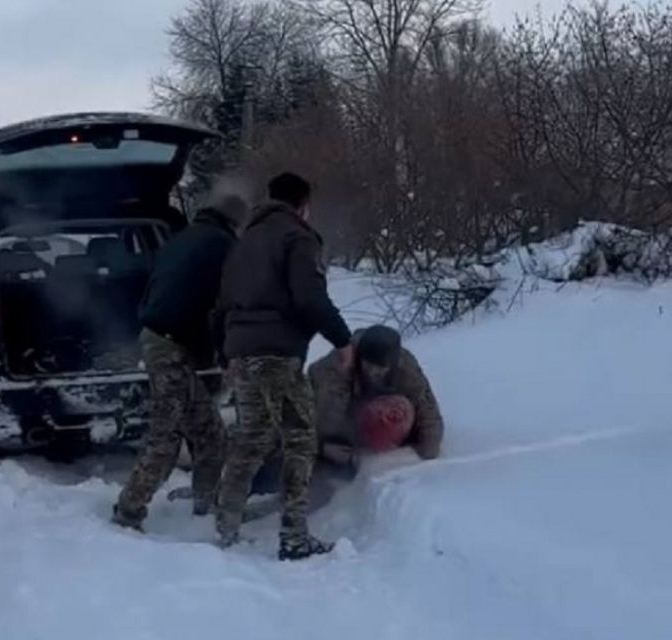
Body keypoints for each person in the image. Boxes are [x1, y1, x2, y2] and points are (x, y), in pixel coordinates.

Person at [213, 172, 353, 560]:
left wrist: (225, 355)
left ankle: (226, 526)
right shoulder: (297, 237)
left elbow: (221, 305)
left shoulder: (244, 242)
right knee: (300, 440)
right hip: (277, 353)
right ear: (303, 204)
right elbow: (310, 297)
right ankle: (294, 536)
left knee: (252, 437)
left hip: (241, 351)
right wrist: (343, 340)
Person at [113, 194, 249, 531]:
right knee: (167, 435)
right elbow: (221, 308)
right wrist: (225, 355)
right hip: (169, 346)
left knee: (209, 431)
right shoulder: (222, 245)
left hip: (160, 339)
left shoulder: (183, 238)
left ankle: (204, 504)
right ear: (234, 222)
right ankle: (128, 511)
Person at [309, 325, 444, 467]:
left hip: (368, 408)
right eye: (368, 365)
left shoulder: (405, 366)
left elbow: (426, 407)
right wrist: (324, 446)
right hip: (318, 410)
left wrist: (429, 448)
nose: (373, 372)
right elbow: (323, 416)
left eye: (380, 368)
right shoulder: (337, 367)